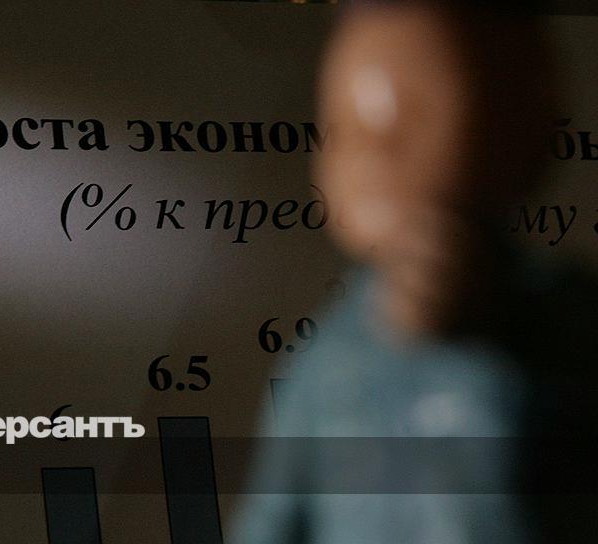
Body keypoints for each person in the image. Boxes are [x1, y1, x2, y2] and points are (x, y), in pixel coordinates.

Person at [230, 2, 598, 542]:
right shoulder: (326, 360)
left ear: (527, 127)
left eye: (414, 117)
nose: (374, 149)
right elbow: (271, 520)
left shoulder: (571, 327)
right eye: (344, 127)